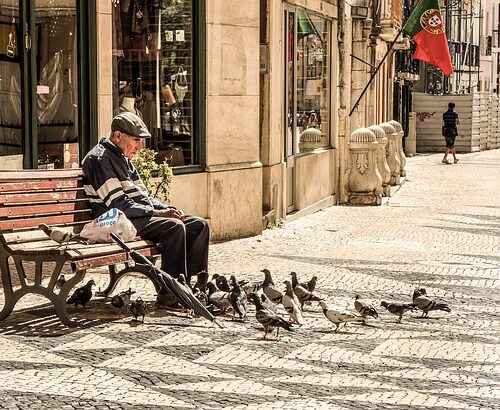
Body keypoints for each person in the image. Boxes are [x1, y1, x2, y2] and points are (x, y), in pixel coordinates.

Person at [81, 112, 209, 307]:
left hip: (132, 217)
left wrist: (167, 208)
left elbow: (143, 196)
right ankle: (170, 293)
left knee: (198, 225)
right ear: (118, 136)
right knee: (173, 227)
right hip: (115, 222)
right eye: (136, 140)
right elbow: (118, 204)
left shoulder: (123, 157)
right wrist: (159, 214)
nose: (139, 147)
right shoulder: (100, 159)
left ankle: (192, 288)